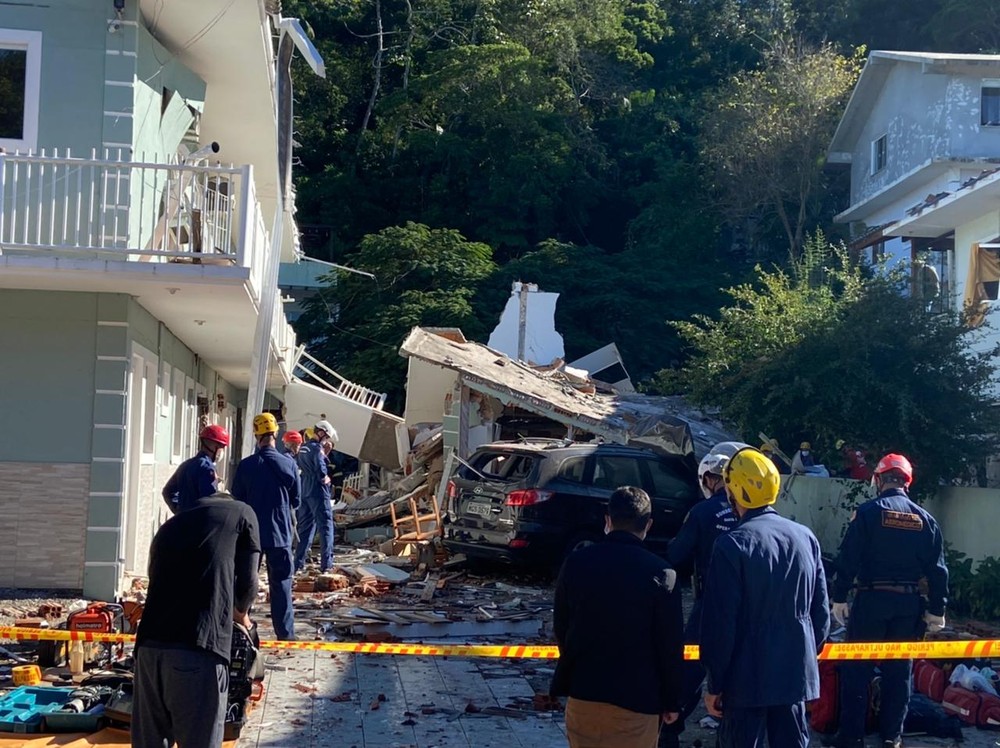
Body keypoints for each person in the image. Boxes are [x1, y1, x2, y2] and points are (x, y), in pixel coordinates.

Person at [700, 447, 830, 748]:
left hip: (746, 684)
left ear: (734, 491)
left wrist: (715, 682)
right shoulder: (805, 537)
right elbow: (820, 616)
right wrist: (802, 657)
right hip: (794, 679)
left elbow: (720, 624)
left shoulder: (731, 545)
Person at [822, 453, 949, 748]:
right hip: (908, 606)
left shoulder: (867, 513)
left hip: (872, 602)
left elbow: (848, 559)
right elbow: (938, 570)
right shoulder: (926, 520)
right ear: (907, 482)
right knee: (899, 672)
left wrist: (839, 597)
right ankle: (892, 737)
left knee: (857, 670)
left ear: (878, 479)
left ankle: (851, 738)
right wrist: (936, 610)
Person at [551, 486, 685, 748]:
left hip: (584, 696)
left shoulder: (577, 563)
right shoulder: (662, 574)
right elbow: (669, 646)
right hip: (638, 702)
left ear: (608, 520)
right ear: (648, 525)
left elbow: (561, 626)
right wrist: (672, 701)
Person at [132, 491, 260, 748]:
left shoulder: (171, 525)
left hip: (148, 650)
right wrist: (242, 616)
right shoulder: (243, 512)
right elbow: (247, 584)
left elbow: (154, 576)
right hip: (199, 649)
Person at [660, 442, 745, 748]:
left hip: (708, 606)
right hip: (748, 610)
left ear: (709, 478)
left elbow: (676, 554)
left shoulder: (702, 511)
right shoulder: (749, 512)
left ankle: (669, 730)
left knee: (688, 671)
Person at [231, 413, 300, 641]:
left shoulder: (246, 466)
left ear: (256, 435)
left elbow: (237, 498)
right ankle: (286, 635)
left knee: (246, 584)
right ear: (275, 434)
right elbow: (296, 500)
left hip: (251, 535)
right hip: (280, 534)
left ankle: (241, 631)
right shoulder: (288, 464)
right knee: (281, 584)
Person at [294, 420, 336, 573]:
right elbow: (320, 468)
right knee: (326, 526)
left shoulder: (303, 448)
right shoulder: (317, 449)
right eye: (326, 436)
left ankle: (297, 564)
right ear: (321, 433)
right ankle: (327, 565)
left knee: (305, 528)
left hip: (304, 489)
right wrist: (325, 477)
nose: (326, 440)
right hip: (318, 491)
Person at [161, 424, 230, 514]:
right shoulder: (208, 469)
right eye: (222, 447)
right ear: (214, 447)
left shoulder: (186, 465)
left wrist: (180, 512)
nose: (222, 451)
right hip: (200, 524)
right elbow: (210, 502)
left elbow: (168, 491)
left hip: (183, 522)